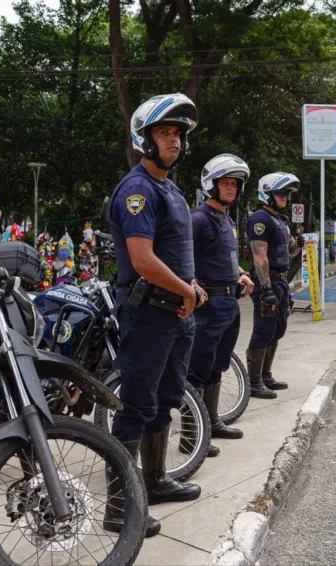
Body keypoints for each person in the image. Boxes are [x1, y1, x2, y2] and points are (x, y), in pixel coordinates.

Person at [104, 93, 206, 538]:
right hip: (149, 316)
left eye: (178, 135)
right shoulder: (137, 190)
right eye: (164, 134)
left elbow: (177, 252)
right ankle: (118, 508)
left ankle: (154, 481)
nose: (173, 142)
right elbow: (142, 260)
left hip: (178, 315)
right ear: (143, 139)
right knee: (135, 408)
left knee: (165, 400)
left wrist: (192, 287)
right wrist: (186, 289)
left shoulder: (170, 189)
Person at [182, 154, 254, 458]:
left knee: (217, 367)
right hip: (207, 305)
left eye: (235, 183)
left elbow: (224, 256)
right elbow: (179, 254)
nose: (231, 188)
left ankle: (211, 423)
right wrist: (191, 283)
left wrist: (241, 273)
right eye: (225, 182)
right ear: (211, 184)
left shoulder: (226, 219)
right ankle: (190, 436)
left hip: (229, 303)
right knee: (197, 372)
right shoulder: (197, 219)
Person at [246, 173, 302, 400]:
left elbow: (289, 251)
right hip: (266, 283)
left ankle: (266, 375)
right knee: (264, 329)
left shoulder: (280, 221)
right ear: (267, 194)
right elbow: (259, 257)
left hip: (281, 281)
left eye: (287, 194)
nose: (285, 198)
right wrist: (266, 288)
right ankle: (254, 382)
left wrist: (298, 245)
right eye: (280, 193)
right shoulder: (260, 220)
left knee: (278, 329)